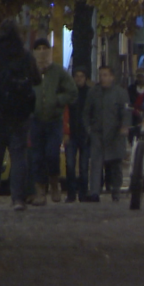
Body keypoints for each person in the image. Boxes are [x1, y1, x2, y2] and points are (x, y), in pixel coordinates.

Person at [0, 19, 42, 211]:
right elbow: (36, 79)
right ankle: (17, 199)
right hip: (20, 114)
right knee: (18, 156)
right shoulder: (24, 56)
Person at [29, 38, 77, 206]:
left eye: (45, 48)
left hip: (54, 120)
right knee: (37, 157)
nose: (42, 51)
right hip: (35, 120)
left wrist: (57, 100)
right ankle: (40, 190)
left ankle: (54, 183)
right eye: (38, 48)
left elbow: (72, 91)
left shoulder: (58, 71)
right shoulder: (30, 71)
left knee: (52, 154)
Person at [83, 66, 130, 202]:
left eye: (105, 75)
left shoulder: (120, 93)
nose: (102, 78)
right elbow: (86, 112)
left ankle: (115, 190)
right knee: (96, 163)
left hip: (115, 133)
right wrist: (89, 129)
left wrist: (124, 126)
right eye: (101, 75)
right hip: (97, 132)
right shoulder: (93, 92)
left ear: (112, 77)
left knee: (115, 163)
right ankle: (95, 192)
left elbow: (126, 112)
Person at [63, 67, 91, 202]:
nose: (79, 78)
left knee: (84, 167)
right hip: (71, 134)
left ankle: (83, 193)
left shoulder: (90, 94)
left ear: (85, 78)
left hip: (85, 134)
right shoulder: (70, 94)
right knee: (70, 165)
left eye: (81, 76)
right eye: (76, 76)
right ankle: (71, 194)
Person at [127, 68, 144, 144]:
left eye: (142, 76)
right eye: (138, 76)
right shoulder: (131, 88)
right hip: (134, 114)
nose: (140, 78)